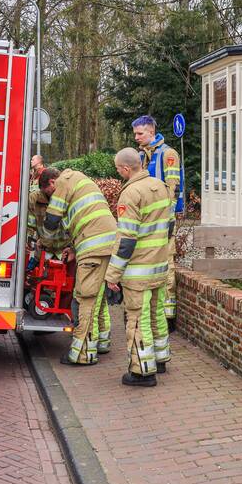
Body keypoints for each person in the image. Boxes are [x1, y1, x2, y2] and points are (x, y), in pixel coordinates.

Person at [106, 148, 174, 387]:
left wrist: (112, 275)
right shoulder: (161, 186)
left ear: (126, 169)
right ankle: (160, 359)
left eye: (118, 169)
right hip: (160, 265)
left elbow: (126, 239)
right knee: (157, 314)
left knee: (137, 319)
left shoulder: (130, 194)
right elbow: (170, 225)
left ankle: (142, 371)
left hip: (138, 271)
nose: (118, 172)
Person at [39, 167, 117, 364]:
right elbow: (85, 218)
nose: (50, 197)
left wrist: (43, 241)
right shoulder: (80, 179)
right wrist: (73, 248)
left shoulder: (62, 182)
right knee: (98, 296)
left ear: (51, 183)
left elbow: (52, 220)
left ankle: (83, 354)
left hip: (93, 247)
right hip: (107, 244)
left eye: (48, 194)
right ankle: (101, 342)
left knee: (84, 298)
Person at [132, 115, 183, 323]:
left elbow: (173, 188)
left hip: (162, 219)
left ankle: (168, 314)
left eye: (140, 133)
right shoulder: (141, 155)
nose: (136, 137)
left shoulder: (168, 154)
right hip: (147, 218)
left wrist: (167, 219)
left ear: (151, 132)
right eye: (135, 133)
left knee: (166, 261)